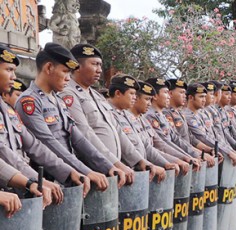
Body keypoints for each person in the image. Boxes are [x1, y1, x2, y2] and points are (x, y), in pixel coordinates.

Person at [15, 42, 115, 191]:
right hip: (49, 181)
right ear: (49, 68)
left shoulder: (58, 100)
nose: (69, 78)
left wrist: (107, 166)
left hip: (71, 177)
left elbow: (78, 138)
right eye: (65, 71)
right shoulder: (29, 101)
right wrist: (84, 171)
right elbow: (48, 143)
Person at [0, 44, 89, 204]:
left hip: (17, 196)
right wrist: (32, 180)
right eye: (8, 70)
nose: (14, 76)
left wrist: (69, 172)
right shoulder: (29, 101)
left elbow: (35, 146)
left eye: (14, 70)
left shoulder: (8, 110)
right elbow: (3, 153)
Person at [62, 44, 146, 185]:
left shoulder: (97, 96)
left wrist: (139, 160)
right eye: (94, 64)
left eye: (100, 65)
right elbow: (85, 133)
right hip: (91, 173)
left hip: (112, 171)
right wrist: (114, 163)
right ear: (77, 66)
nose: (99, 70)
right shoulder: (68, 94)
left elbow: (117, 131)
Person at [107, 74, 178, 181]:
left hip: (140, 172)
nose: (134, 97)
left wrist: (167, 163)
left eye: (135, 94)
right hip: (125, 173)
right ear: (118, 93)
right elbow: (127, 147)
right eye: (131, 93)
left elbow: (147, 145)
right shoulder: (108, 113)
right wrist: (143, 163)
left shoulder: (127, 116)